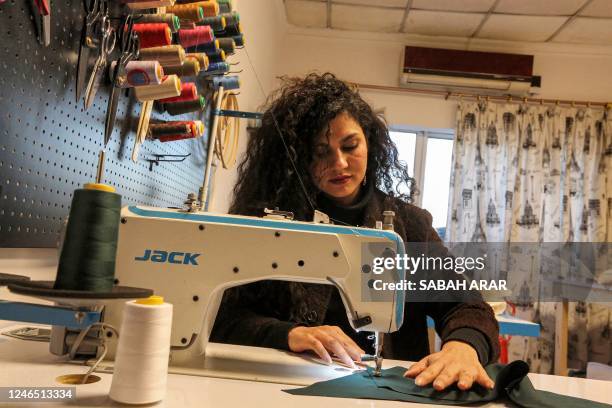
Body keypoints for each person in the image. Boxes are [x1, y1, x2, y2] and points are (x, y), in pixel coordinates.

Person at [210, 73, 500, 391]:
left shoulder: (409, 225)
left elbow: (467, 306)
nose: (339, 162)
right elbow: (226, 320)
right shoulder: (270, 223)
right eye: (321, 152)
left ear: (370, 143)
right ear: (297, 158)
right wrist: (287, 334)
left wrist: (464, 347)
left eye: (350, 146)